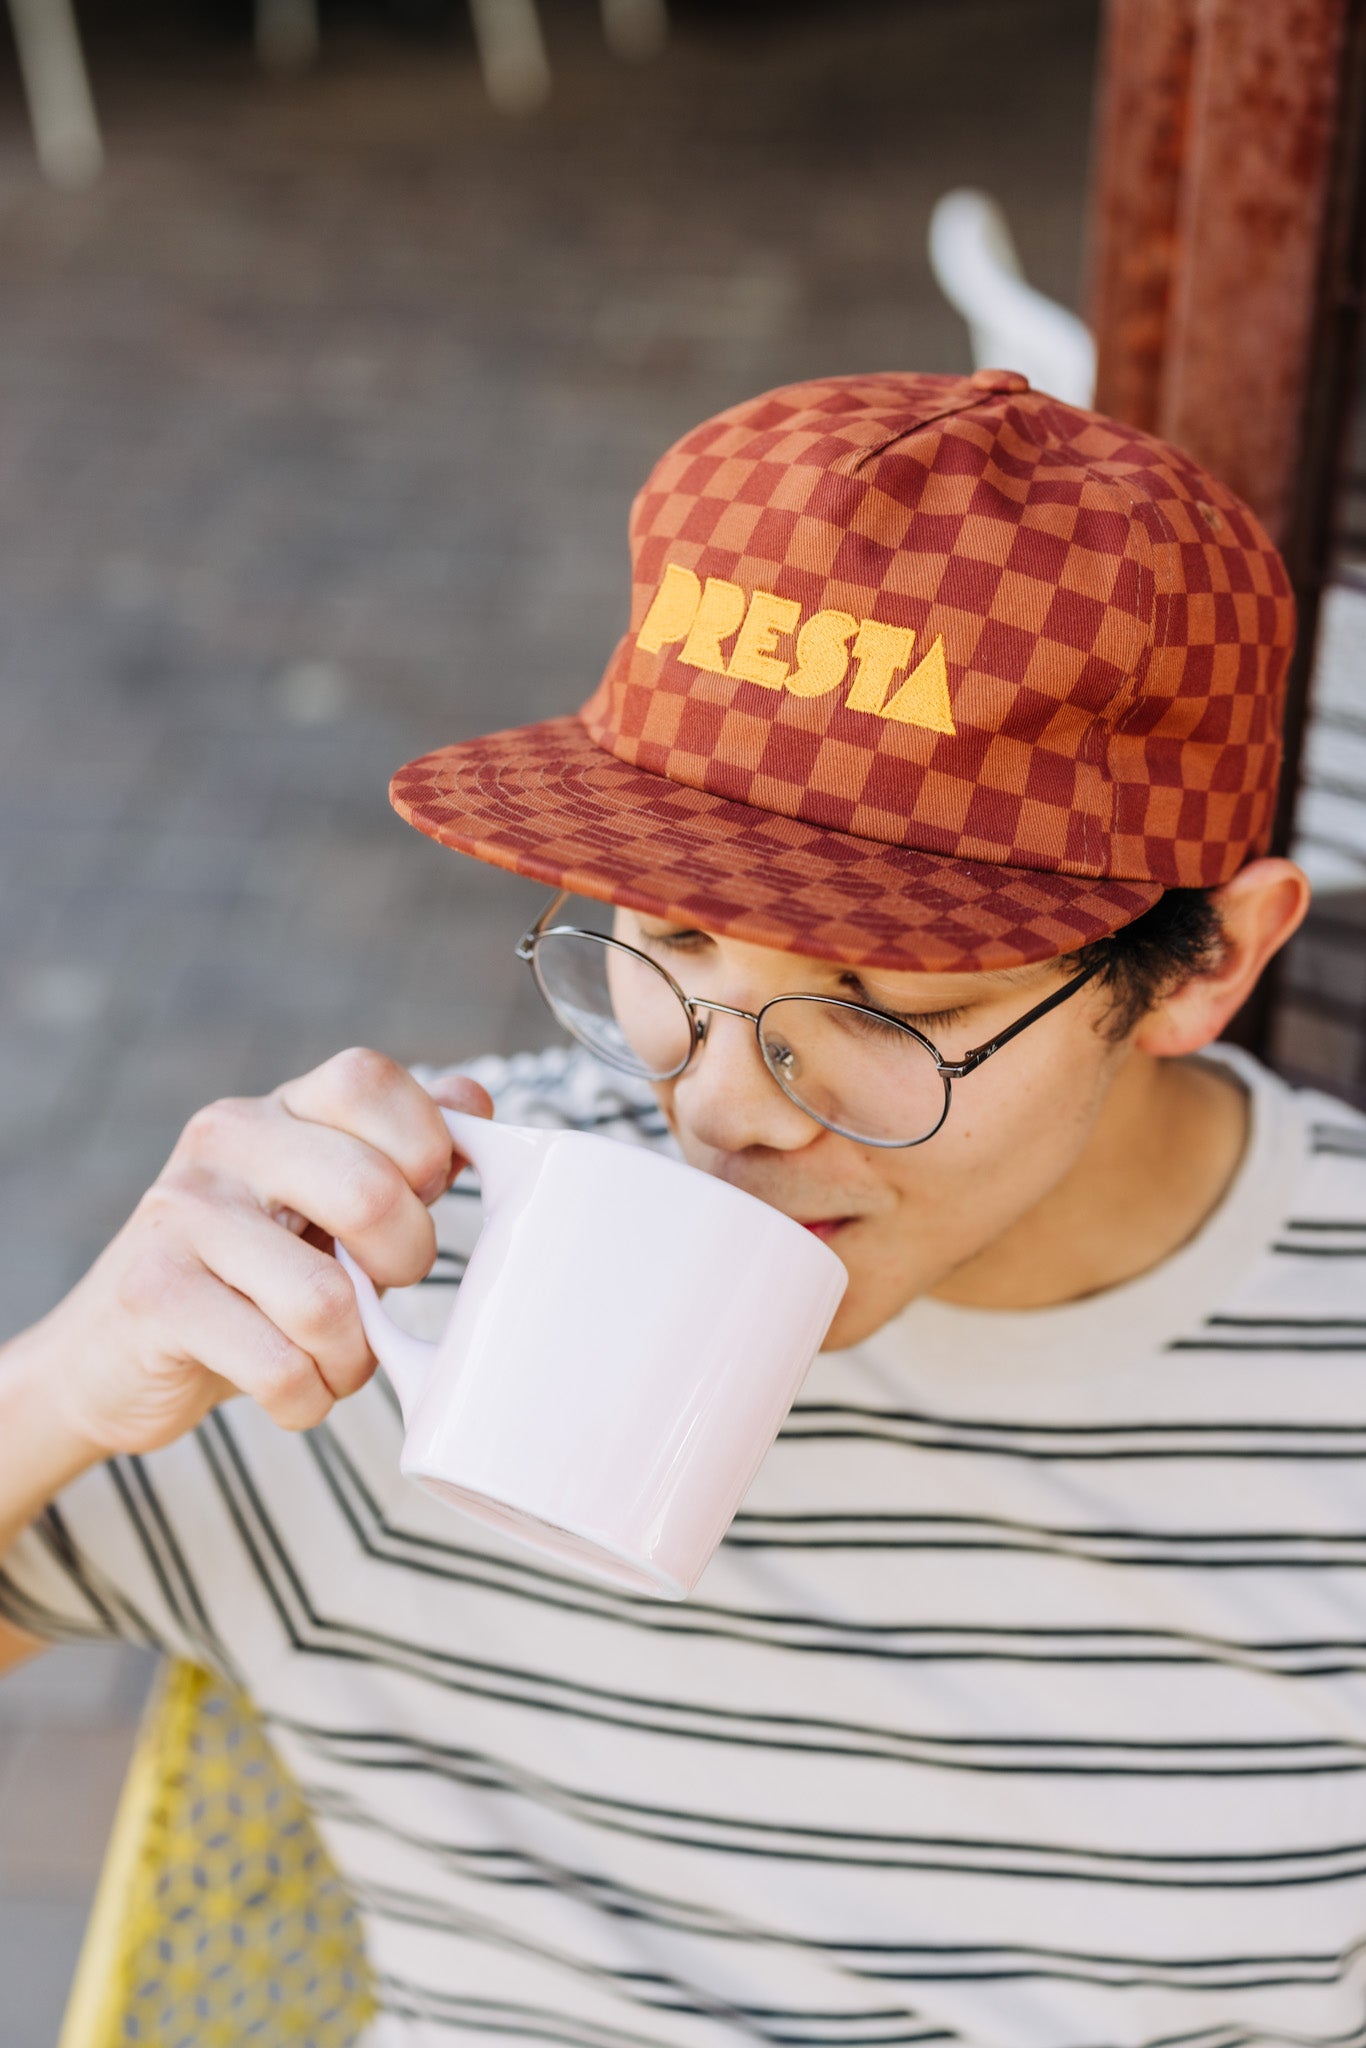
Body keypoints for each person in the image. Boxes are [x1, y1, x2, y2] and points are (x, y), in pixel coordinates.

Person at [1, 369, 1361, 2048]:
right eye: (676, 940)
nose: (721, 1105)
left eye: (894, 1004)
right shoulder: (398, 1272)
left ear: (1204, 961)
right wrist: (53, 1394)